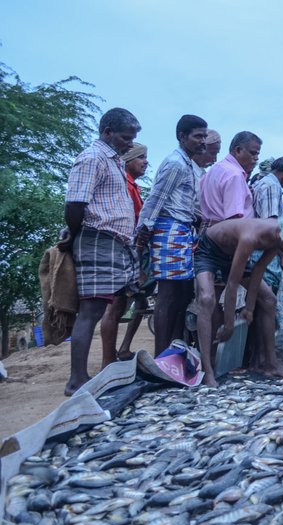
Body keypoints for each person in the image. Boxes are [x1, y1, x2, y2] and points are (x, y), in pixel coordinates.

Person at [58, 108, 141, 395]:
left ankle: (96, 371)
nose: (129, 143)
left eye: (132, 138)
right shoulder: (92, 158)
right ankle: (77, 380)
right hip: (97, 239)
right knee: (90, 310)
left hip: (116, 242)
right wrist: (74, 234)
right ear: (107, 132)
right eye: (125, 137)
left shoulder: (114, 160)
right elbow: (75, 204)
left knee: (114, 304)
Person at [194, 207, 283, 386]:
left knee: (269, 300)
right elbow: (232, 283)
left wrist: (249, 307)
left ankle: (271, 364)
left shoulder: (279, 236)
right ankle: (206, 370)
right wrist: (229, 324)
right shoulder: (251, 237)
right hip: (210, 250)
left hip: (233, 253)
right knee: (207, 299)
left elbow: (258, 269)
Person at [136, 115, 208, 355]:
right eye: (198, 136)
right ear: (182, 136)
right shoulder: (176, 163)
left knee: (181, 293)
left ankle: (173, 351)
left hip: (182, 230)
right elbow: (157, 198)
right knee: (167, 294)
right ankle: (160, 357)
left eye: (204, 136)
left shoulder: (187, 163)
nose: (203, 141)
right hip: (168, 229)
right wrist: (143, 230)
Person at [99, 143, 149, 367]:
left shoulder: (134, 187)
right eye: (141, 158)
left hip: (134, 249)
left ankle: (123, 348)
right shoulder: (125, 186)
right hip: (126, 249)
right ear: (128, 161)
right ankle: (108, 358)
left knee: (140, 300)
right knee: (117, 302)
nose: (145, 162)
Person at [252, 156, 283, 292]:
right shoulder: (272, 186)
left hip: (263, 248)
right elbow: (271, 225)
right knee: (268, 294)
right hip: (265, 250)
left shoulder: (265, 183)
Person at [200, 131, 262, 226]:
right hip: (227, 235)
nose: (256, 158)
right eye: (253, 153)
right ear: (238, 151)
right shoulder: (235, 175)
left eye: (258, 154)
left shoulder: (213, 170)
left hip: (208, 232)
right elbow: (234, 220)